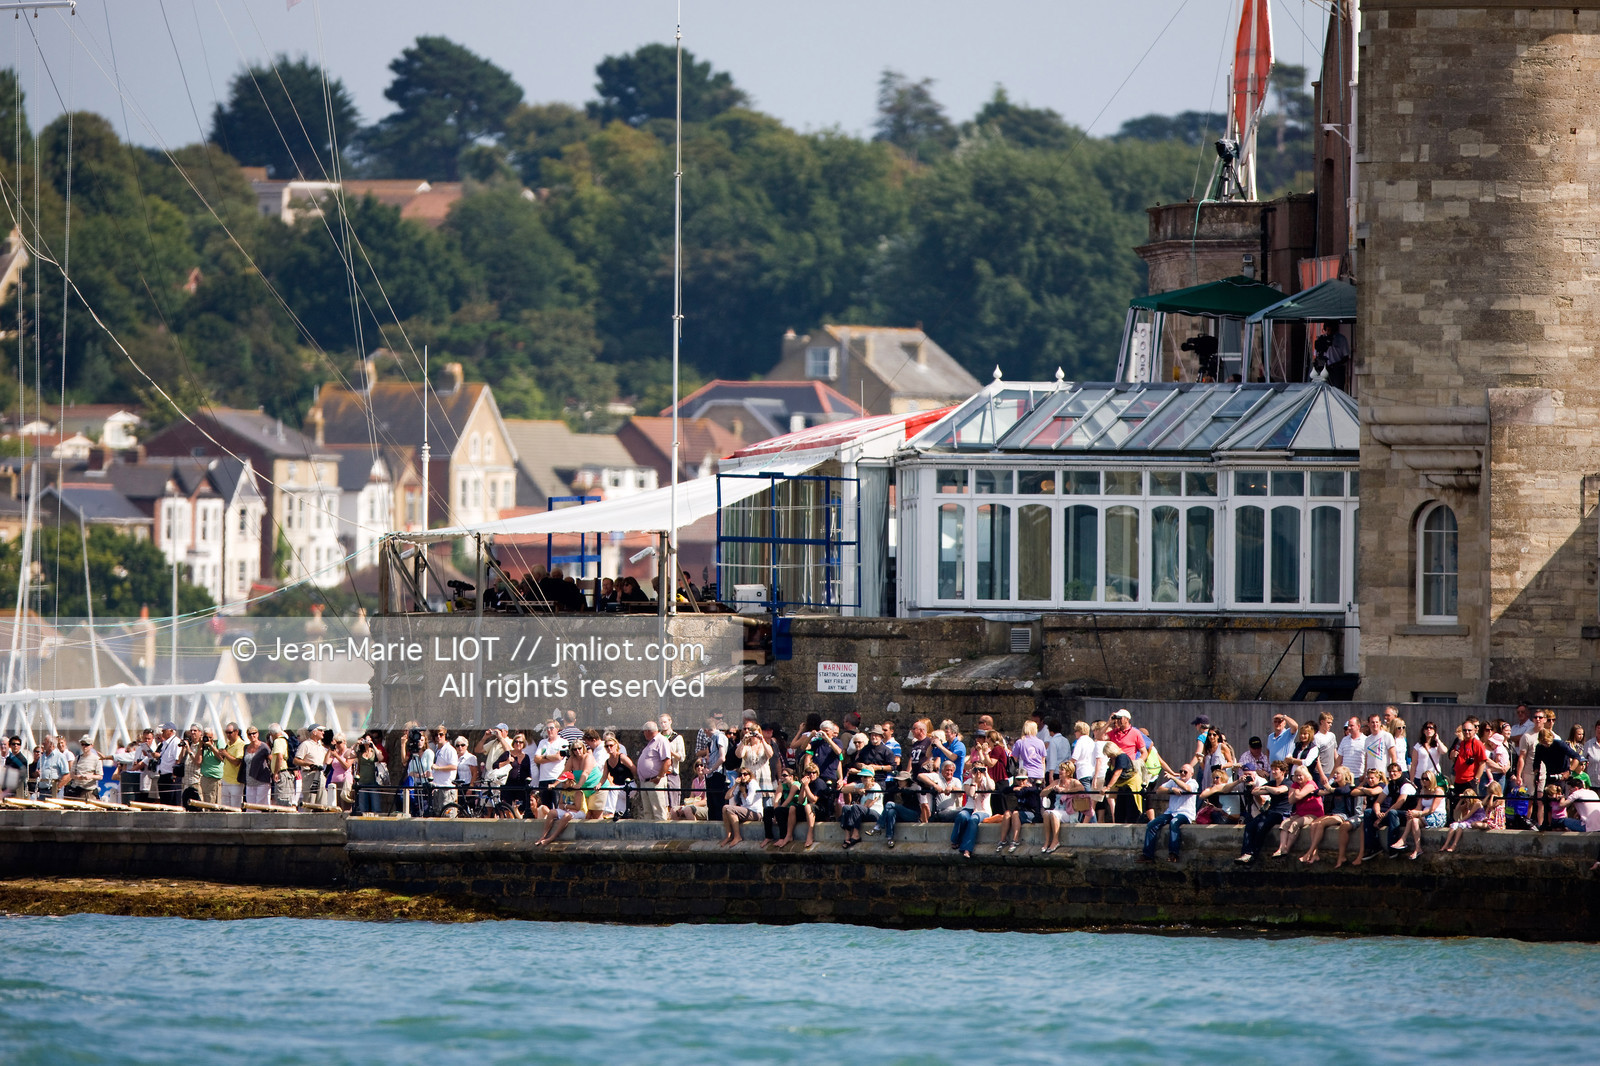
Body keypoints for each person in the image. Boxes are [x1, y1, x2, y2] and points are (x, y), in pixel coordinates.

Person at [1139, 763, 1199, 863]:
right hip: (1171, 812)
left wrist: (1174, 778)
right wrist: (1171, 789)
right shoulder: (1174, 782)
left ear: (1191, 773)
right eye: (1181, 771)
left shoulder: (1193, 782)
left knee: (1174, 823)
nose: (1182, 773)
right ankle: (1148, 855)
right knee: (1152, 824)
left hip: (1185, 813)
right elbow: (1159, 790)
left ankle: (1173, 854)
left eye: (1185, 772)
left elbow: (1187, 788)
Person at [1300, 767, 1360, 866]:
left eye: (1337, 773)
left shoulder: (1348, 786)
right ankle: (1315, 854)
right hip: (1332, 813)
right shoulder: (1333, 786)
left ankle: (1309, 852)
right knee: (1314, 823)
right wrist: (1326, 790)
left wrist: (1329, 789)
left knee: (1320, 823)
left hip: (1343, 815)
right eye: (1335, 773)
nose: (1335, 775)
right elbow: (1319, 791)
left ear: (1344, 776)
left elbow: (1343, 791)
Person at [1236, 763, 1292, 863]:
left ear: (1283, 772)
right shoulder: (1271, 783)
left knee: (1261, 826)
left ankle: (1253, 854)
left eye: (1276, 769)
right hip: (1271, 811)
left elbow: (1278, 791)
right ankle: (1245, 853)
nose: (1273, 771)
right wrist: (1258, 788)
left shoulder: (1288, 783)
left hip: (1282, 813)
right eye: (1272, 769)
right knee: (1250, 826)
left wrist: (1265, 788)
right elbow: (1255, 791)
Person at [1270, 766, 1324, 858]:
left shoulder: (1311, 784)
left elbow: (1298, 796)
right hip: (1300, 812)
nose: (1298, 777)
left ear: (1306, 776)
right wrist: (1297, 793)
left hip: (1313, 813)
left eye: (1301, 775)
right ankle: (1281, 848)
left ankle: (1287, 848)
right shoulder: (1295, 785)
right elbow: (1291, 801)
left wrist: (1297, 792)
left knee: (1295, 823)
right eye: (1296, 775)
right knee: (1285, 823)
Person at [1392, 771, 1446, 858]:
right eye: (1423, 779)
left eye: (1427, 779)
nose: (1424, 781)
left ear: (1431, 780)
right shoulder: (1423, 791)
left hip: (1437, 816)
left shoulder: (1438, 791)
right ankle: (1417, 848)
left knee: (1414, 818)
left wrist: (1418, 813)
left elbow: (1432, 809)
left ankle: (1403, 839)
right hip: (1424, 815)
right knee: (1413, 819)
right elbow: (1418, 807)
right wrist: (1412, 812)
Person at [950, 766, 993, 859]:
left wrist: (986, 774)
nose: (978, 772)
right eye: (976, 770)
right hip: (969, 808)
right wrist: (973, 780)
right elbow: (971, 794)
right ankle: (955, 840)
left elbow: (991, 788)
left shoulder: (988, 781)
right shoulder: (967, 782)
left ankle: (967, 848)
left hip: (983, 810)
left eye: (980, 770)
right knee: (962, 816)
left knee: (973, 819)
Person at [635, 720, 672, 821]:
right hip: (646, 782)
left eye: (644, 732)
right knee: (648, 812)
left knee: (658, 811)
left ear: (648, 731)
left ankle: (661, 834)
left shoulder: (661, 741)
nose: (643, 734)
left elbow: (667, 761)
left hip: (655, 782)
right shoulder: (650, 743)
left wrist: (659, 777)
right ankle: (650, 835)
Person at [719, 767, 764, 846]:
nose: (743, 776)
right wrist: (735, 784)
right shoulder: (741, 785)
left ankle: (737, 836)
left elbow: (749, 802)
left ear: (749, 775)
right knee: (724, 808)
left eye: (745, 774)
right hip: (745, 810)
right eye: (741, 775)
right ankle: (729, 835)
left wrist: (743, 792)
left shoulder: (752, 784)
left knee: (728, 808)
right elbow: (727, 796)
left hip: (755, 812)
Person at [998, 775, 1042, 853]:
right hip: (1021, 812)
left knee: (1015, 813)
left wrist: (1022, 788)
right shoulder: (1016, 787)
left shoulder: (1032, 788)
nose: (1021, 782)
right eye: (1018, 780)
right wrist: (1014, 789)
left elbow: (1028, 792)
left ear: (1027, 779)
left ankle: (1015, 840)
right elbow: (1003, 790)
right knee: (1007, 813)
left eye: (1023, 780)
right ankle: (1002, 840)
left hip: (1032, 814)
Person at [1450, 718, 1488, 801]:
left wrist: (1476, 778)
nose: (1467, 732)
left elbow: (1482, 763)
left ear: (1474, 730)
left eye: (1469, 730)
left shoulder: (1477, 744)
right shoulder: (1461, 743)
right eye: (1464, 730)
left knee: (1470, 804)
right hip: (1458, 780)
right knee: (1458, 806)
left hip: (1469, 780)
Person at [1104, 741, 1142, 824]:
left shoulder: (1122, 757)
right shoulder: (1112, 760)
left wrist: (1108, 787)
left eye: (1109, 754)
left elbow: (1118, 772)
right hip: (1121, 786)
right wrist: (1105, 786)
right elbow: (1109, 773)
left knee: (1131, 809)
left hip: (1131, 785)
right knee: (1119, 811)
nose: (1108, 756)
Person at [602, 732, 637, 819]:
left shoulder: (622, 757)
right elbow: (604, 777)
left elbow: (633, 768)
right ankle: (619, 815)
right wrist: (598, 785)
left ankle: (609, 811)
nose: (609, 748)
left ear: (616, 746)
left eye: (611, 745)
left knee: (612, 789)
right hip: (619, 788)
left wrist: (638, 781)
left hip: (629, 786)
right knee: (620, 811)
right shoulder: (607, 762)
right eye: (607, 746)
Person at [216, 723, 246, 808]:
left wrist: (226, 754)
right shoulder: (228, 744)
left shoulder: (241, 745)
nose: (228, 735)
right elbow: (224, 760)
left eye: (230, 732)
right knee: (225, 807)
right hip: (226, 780)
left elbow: (237, 762)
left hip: (235, 782)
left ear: (236, 732)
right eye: (226, 733)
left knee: (235, 807)